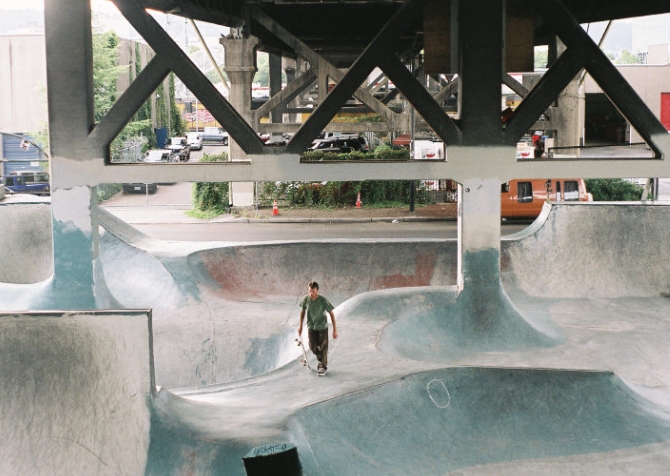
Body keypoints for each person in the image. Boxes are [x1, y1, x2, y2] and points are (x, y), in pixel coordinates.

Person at [298, 281, 338, 376]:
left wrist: (335, 330)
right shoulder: (306, 299)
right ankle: (321, 359)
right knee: (312, 345)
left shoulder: (323, 300)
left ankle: (322, 366)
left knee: (324, 346)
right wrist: (300, 326)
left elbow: (331, 314)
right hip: (311, 326)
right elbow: (302, 312)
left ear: (317, 290)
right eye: (310, 291)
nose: (311, 293)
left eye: (313, 291)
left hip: (322, 327)